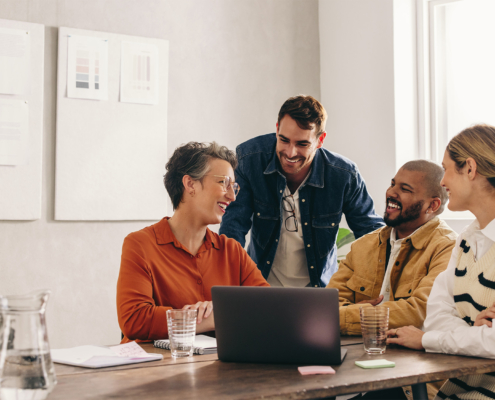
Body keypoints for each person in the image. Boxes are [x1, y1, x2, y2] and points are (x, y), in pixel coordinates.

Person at [219, 95, 384, 287]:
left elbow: (372, 236)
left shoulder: (344, 175)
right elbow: (233, 229)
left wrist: (363, 289)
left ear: (320, 140)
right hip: (261, 287)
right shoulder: (250, 159)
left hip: (318, 292)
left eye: (302, 144)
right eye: (284, 140)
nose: (290, 153)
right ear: (277, 129)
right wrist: (229, 288)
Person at [117, 142, 269, 343]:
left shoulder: (232, 251)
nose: (232, 196)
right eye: (223, 183)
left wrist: (218, 313)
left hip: (219, 370)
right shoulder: (140, 245)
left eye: (234, 187)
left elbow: (268, 309)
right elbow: (134, 320)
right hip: (155, 370)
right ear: (190, 184)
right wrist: (206, 320)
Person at [330, 160, 456, 400]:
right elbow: (327, 305)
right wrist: (356, 313)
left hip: (412, 378)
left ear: (433, 205)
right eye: (392, 184)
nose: (391, 193)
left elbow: (418, 311)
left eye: (405, 189)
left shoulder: (448, 247)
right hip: (357, 369)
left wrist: (355, 314)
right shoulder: (363, 245)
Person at [387, 124, 495, 400]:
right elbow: (435, 318)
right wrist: (472, 332)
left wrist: (425, 340)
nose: (443, 181)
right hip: (456, 390)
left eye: (447, 169)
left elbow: (492, 342)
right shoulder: (466, 241)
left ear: (470, 169)